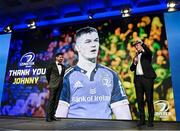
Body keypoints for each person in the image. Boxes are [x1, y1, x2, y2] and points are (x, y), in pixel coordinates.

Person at [55, 27, 132, 120]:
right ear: (77, 47)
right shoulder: (66, 77)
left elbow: (124, 117)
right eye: (88, 41)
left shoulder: (111, 75)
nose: (93, 45)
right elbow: (59, 118)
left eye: (96, 40)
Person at [130, 40, 156, 127]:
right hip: (138, 80)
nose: (136, 47)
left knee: (149, 100)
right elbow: (131, 69)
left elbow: (148, 51)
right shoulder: (136, 56)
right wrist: (134, 62)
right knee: (140, 100)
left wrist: (143, 44)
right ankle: (142, 119)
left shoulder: (146, 54)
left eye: (137, 45)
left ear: (141, 45)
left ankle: (150, 120)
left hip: (147, 79)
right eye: (135, 46)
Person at [45, 52, 65, 122]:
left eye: (62, 57)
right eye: (60, 57)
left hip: (60, 85)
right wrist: (50, 82)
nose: (61, 58)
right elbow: (47, 74)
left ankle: (53, 115)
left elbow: (61, 76)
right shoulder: (51, 65)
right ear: (56, 57)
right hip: (53, 85)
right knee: (51, 100)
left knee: (56, 101)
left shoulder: (63, 66)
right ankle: (48, 117)